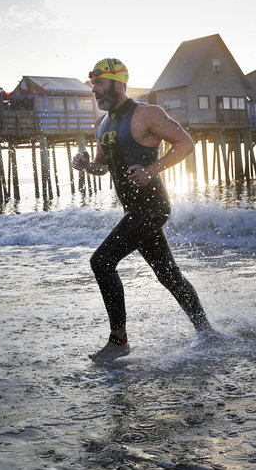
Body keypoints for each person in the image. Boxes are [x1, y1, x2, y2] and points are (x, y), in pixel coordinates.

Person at [72, 58, 213, 363]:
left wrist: (152, 170)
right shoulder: (102, 124)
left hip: (153, 206)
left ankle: (118, 341)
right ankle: (206, 331)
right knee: (169, 275)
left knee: (102, 261)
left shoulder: (146, 113)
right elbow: (103, 167)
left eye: (99, 83)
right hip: (133, 209)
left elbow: (185, 143)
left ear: (117, 83)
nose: (95, 91)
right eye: (93, 85)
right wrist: (87, 166)